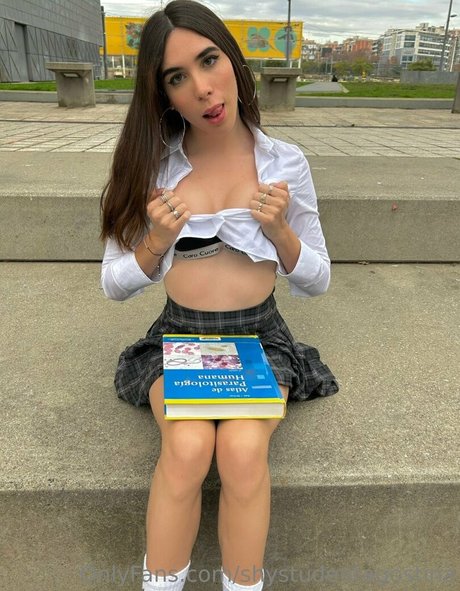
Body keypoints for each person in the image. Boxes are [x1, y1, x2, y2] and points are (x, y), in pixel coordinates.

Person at [100, 1, 339, 589]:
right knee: (185, 447)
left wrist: (280, 232)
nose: (203, 88)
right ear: (162, 95)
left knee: (241, 451)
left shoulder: (284, 163)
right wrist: (157, 242)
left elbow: (317, 278)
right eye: (177, 77)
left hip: (260, 339)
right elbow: (113, 283)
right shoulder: (151, 166)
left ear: (232, 59)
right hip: (179, 337)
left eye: (209, 61)